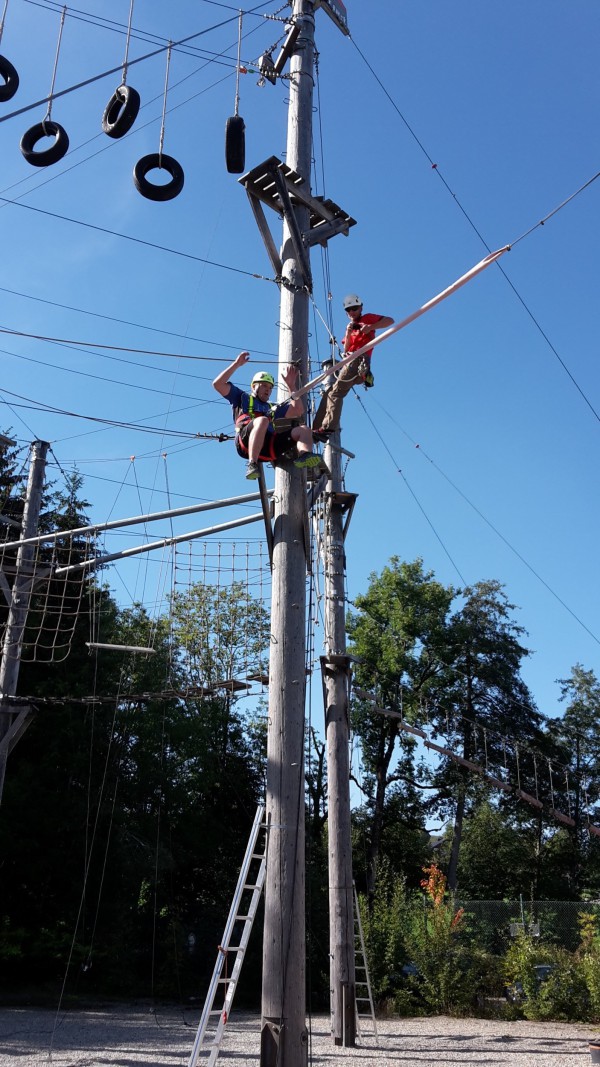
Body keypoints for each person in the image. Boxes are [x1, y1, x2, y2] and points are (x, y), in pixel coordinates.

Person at [213, 350, 321, 480]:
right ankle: (252, 464)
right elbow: (218, 384)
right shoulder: (242, 398)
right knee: (263, 420)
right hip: (246, 443)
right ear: (254, 387)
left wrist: (291, 386)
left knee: (304, 430)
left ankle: (305, 455)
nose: (267, 390)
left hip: (269, 447)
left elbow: (298, 410)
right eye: (264, 386)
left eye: (270, 388)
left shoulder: (271, 407)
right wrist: (236, 364)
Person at [311, 294, 394, 433]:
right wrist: (349, 333)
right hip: (352, 362)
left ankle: (327, 428)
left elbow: (390, 321)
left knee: (335, 394)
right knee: (329, 393)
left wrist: (370, 327)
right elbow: (346, 349)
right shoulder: (350, 327)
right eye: (348, 310)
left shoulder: (366, 318)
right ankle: (314, 428)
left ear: (361, 308)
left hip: (358, 361)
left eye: (354, 308)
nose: (351, 312)